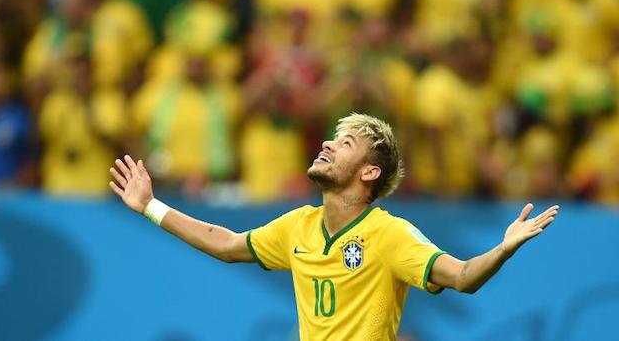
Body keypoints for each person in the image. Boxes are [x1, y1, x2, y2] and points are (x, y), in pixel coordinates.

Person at [109, 113, 559, 340]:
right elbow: (226, 244)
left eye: (344, 143)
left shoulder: (391, 236)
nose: (326, 143)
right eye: (332, 137)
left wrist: (503, 249)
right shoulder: (298, 226)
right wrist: (150, 207)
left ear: (369, 173)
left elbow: (462, 277)